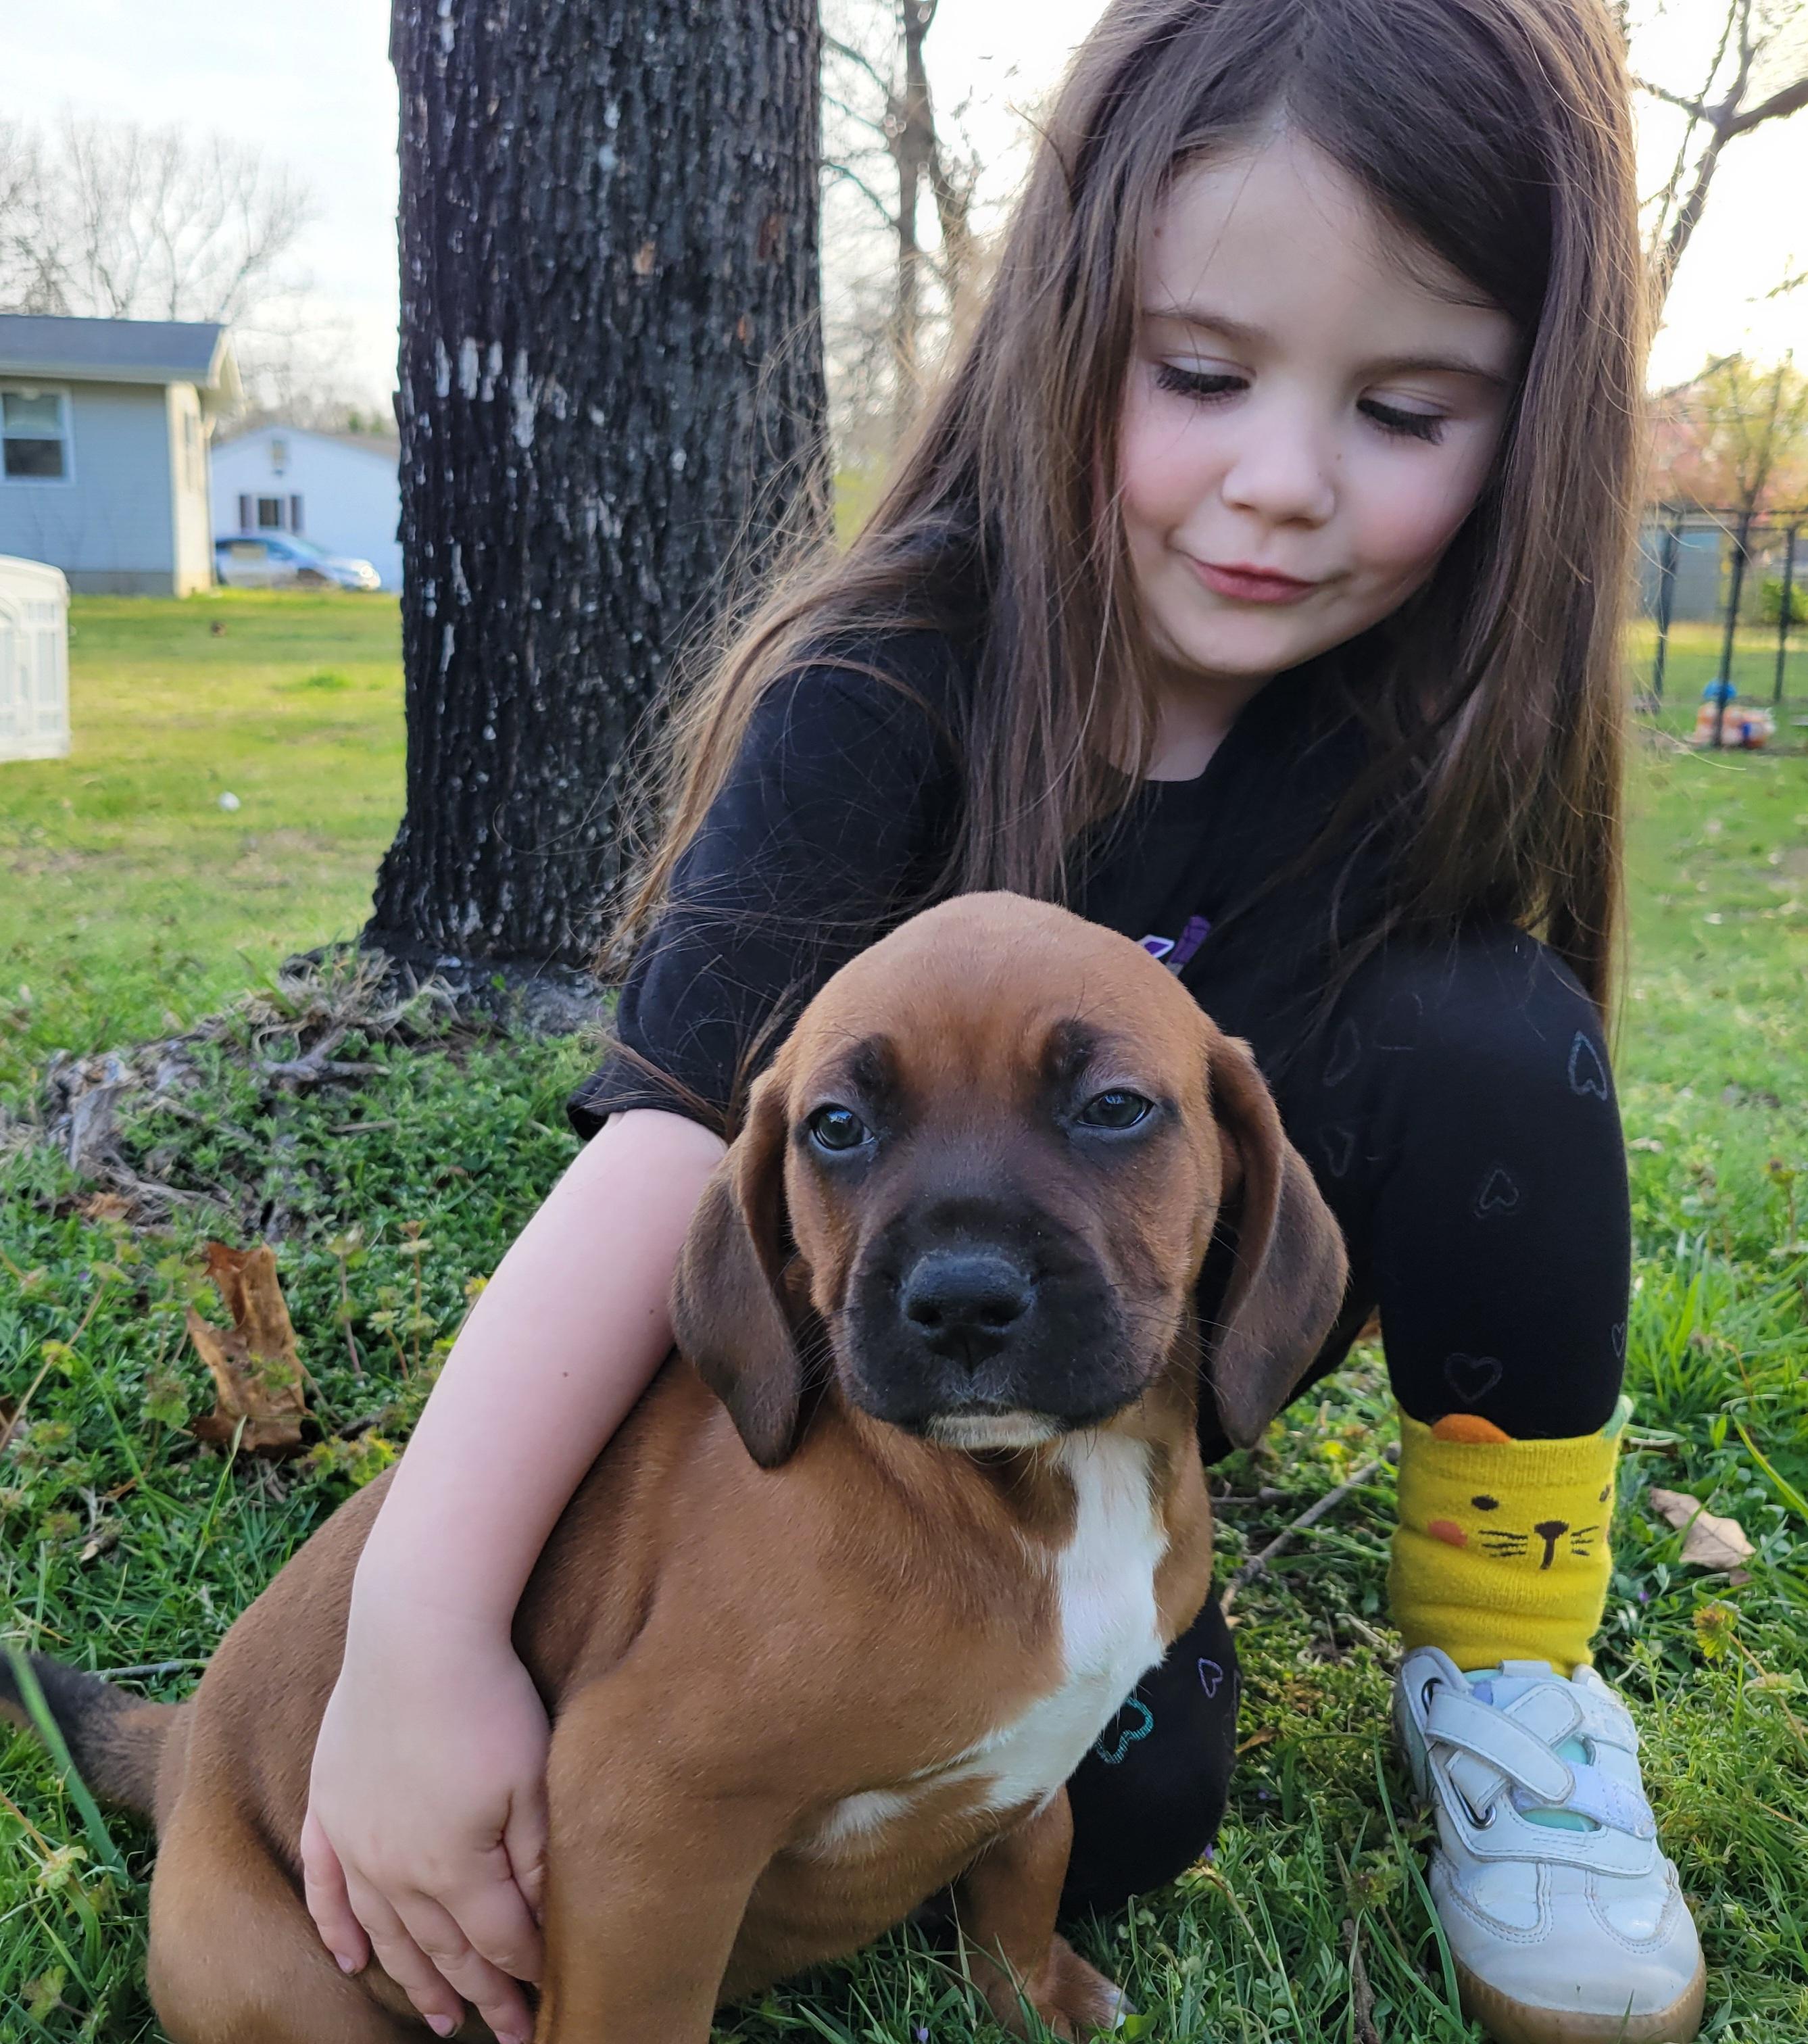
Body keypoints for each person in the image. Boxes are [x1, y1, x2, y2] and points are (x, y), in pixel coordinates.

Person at [300, 3, 1704, 2041]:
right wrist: (421, 1633)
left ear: (1536, 430)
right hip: (846, 1472)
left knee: (1495, 1046)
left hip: (1143, 1408)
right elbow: (676, 1143)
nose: (1278, 483)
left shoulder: (1419, 744)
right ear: (1069, 323)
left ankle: (1508, 1673)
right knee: (1043, 1770)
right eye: (1201, 374)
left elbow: (1448, 1158)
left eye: (1405, 411)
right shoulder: (887, 684)